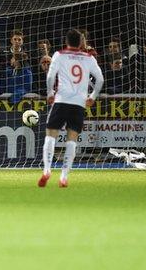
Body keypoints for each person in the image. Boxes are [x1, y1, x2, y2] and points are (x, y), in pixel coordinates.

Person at [39, 30, 104, 188]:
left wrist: (50, 93)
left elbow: (50, 76)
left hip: (61, 100)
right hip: (79, 104)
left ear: (66, 41)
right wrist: (92, 97)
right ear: (80, 42)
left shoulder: (59, 55)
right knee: (72, 139)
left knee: (50, 135)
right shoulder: (89, 58)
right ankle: (63, 177)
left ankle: (47, 170)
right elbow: (100, 79)